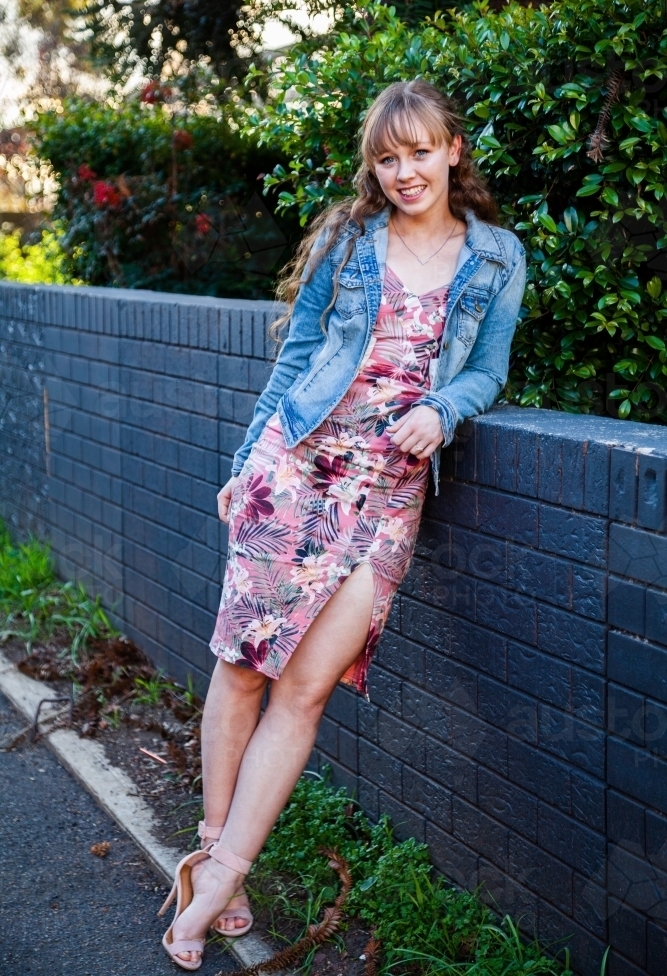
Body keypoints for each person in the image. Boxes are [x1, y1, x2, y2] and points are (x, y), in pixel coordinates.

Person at [159, 78, 527, 969]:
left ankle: (214, 875)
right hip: (297, 470)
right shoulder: (348, 241)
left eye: (418, 152)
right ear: (376, 166)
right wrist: (249, 458)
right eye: (386, 157)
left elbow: (490, 369)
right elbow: (296, 358)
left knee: (307, 689)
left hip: (388, 497)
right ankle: (216, 867)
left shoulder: (496, 257)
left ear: (451, 151)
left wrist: (444, 405)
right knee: (244, 669)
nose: (403, 172)